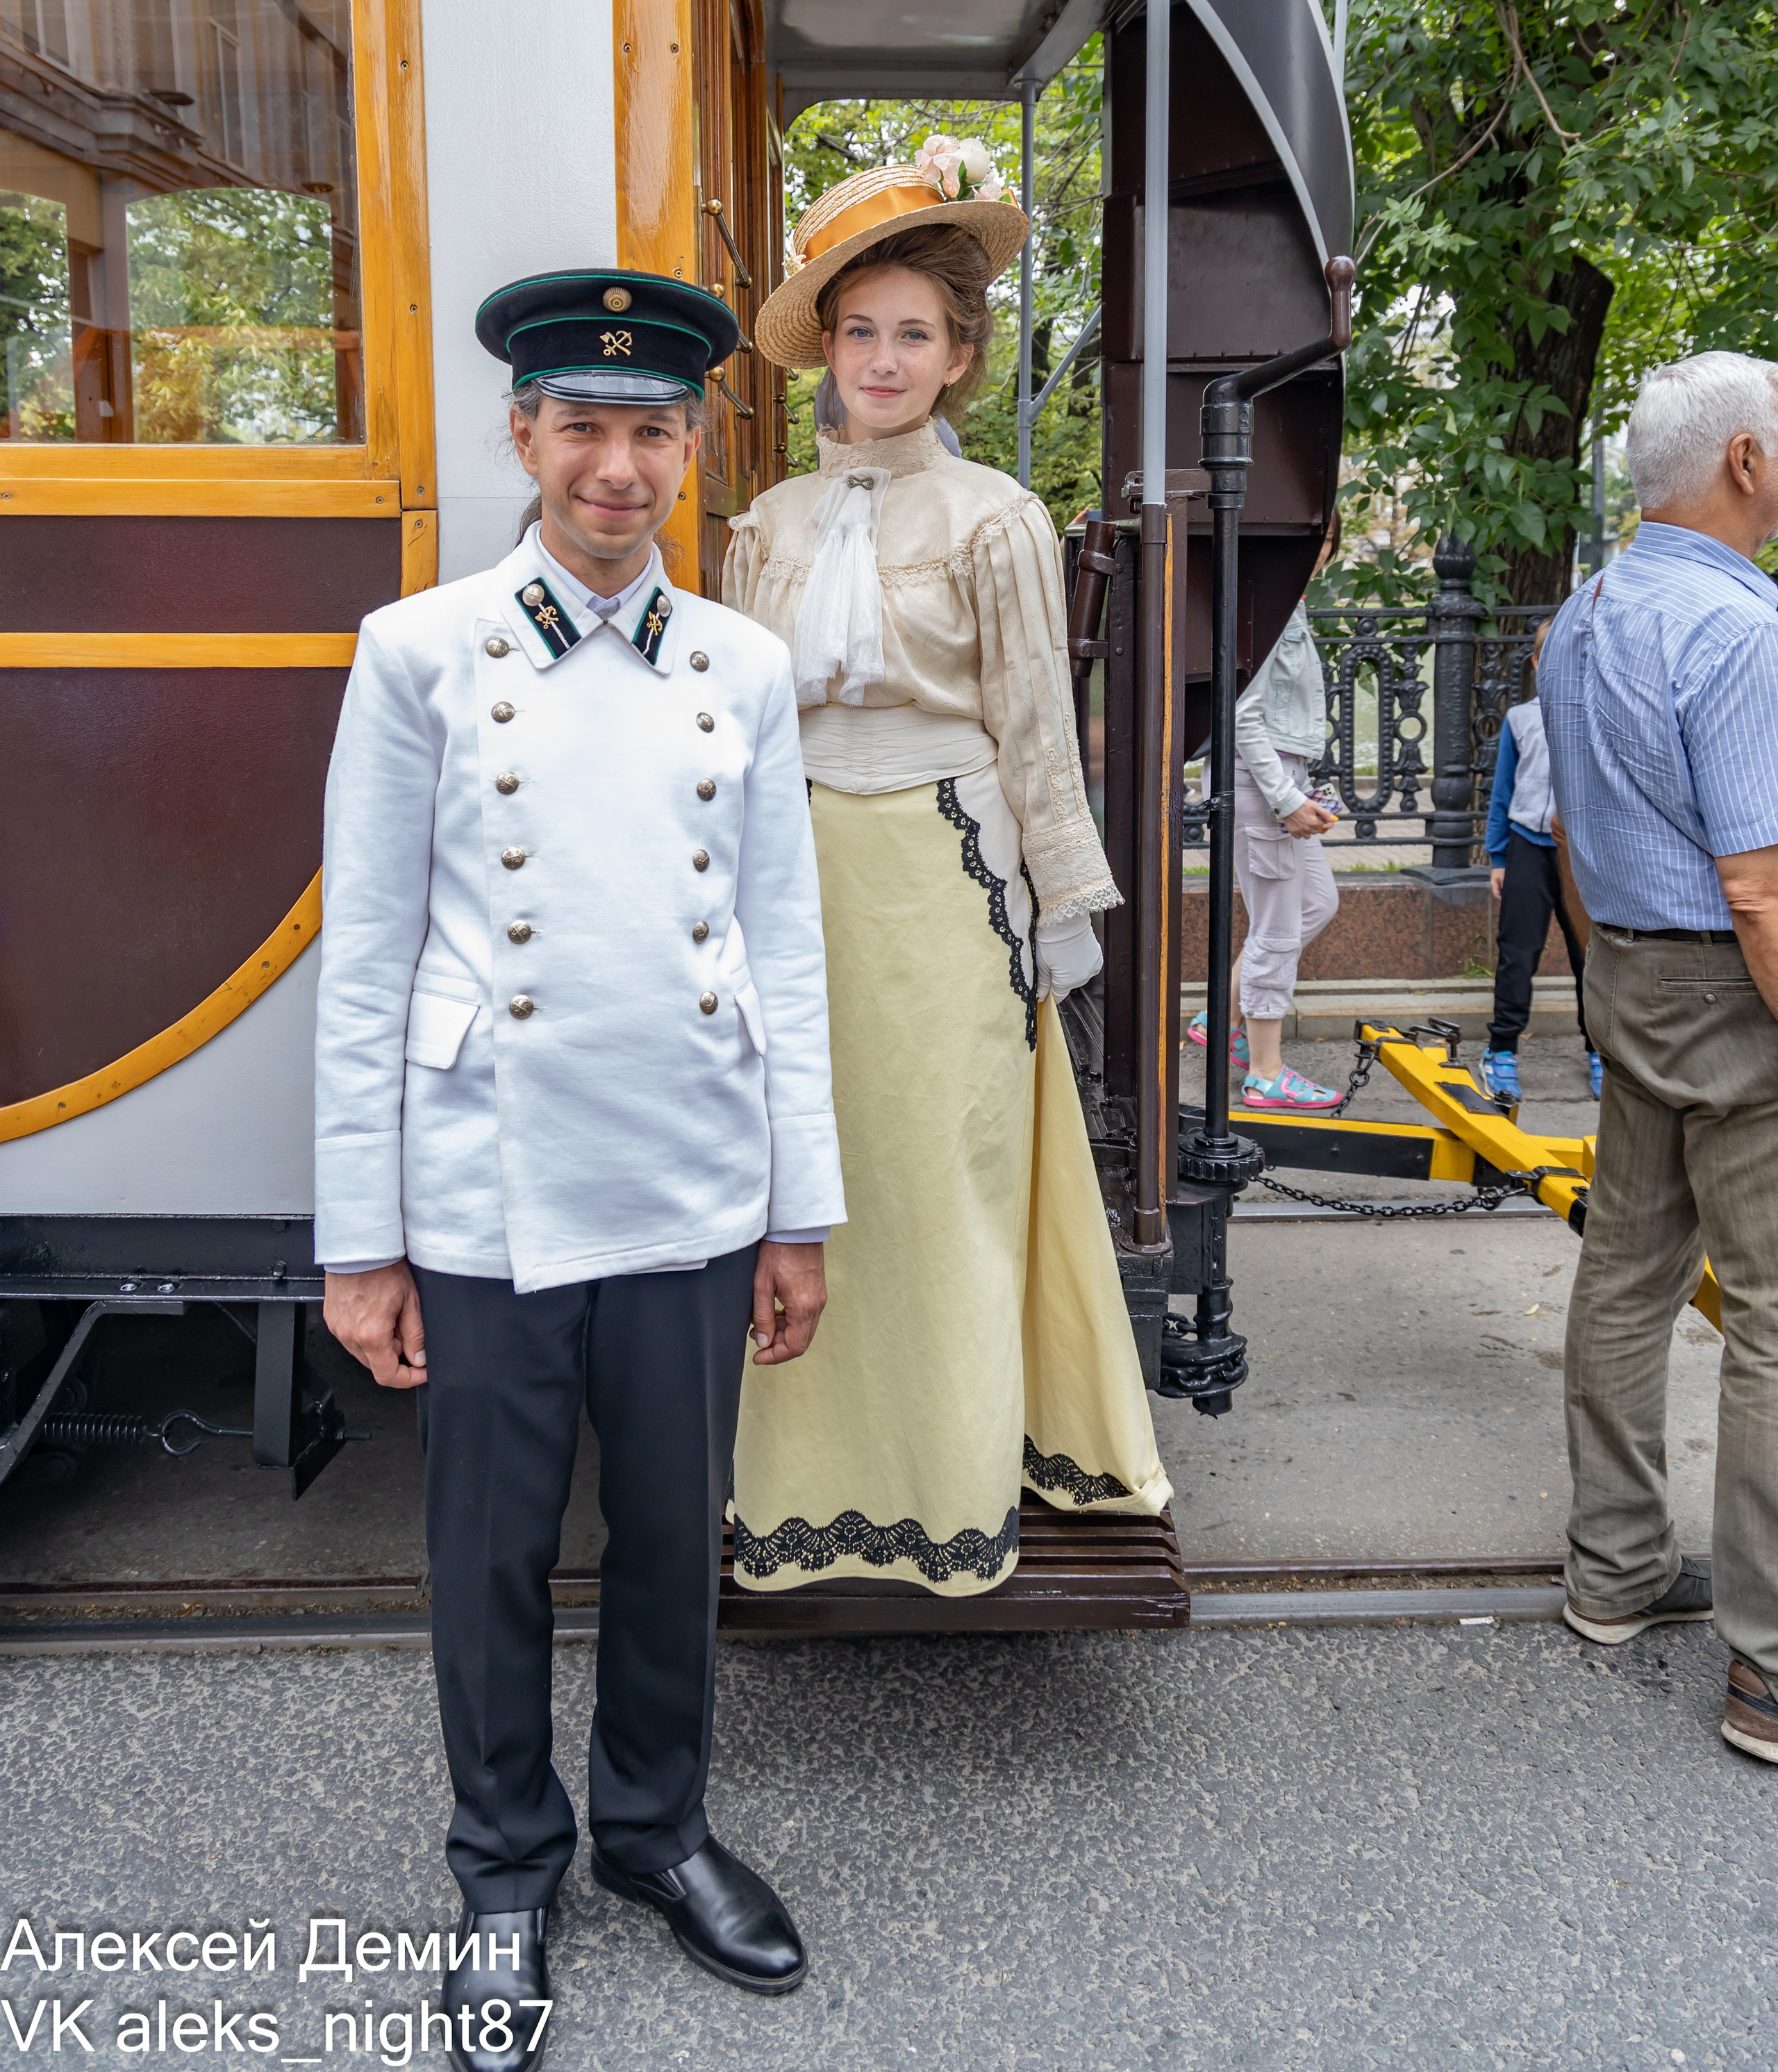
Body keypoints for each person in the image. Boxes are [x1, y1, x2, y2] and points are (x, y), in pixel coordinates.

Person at [315, 266, 846, 2053]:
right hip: (487, 1180)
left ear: (691, 445)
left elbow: (782, 948)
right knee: (486, 1548)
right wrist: (360, 1237)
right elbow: (368, 958)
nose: (617, 466)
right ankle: (500, 1867)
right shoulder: (418, 654)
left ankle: (655, 1831)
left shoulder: (741, 667)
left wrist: (801, 1208)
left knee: (668, 1547)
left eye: (652, 431)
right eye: (583, 429)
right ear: (521, 436)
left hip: (693, 1169)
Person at [722, 146, 1170, 1601]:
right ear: (826, 354)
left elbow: (1038, 727)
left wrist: (1058, 903)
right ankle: (801, 1495)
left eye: (913, 333)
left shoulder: (997, 521)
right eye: (858, 332)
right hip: (795, 871)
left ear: (960, 357)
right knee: (810, 1179)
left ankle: (951, 1490)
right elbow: (730, 730)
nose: (881, 358)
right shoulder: (768, 523)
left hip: (948, 879)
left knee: (940, 1189)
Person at [1540, 350, 1778, 1766]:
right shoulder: (1742, 633)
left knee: (1624, 1280)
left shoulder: (1581, 613)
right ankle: (1765, 1667)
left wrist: (1602, 989)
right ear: (1744, 462)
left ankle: (1611, 1570)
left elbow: (1566, 837)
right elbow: (1758, 889)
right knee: (1768, 1315)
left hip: (1626, 972)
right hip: (1734, 991)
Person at [1188, 519, 1343, 1109]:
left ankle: (1221, 1016)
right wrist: (1285, 797)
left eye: (1330, 540)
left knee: (1315, 903)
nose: (1321, 550)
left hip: (1280, 778)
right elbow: (1241, 714)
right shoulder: (1270, 607)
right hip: (1261, 782)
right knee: (1277, 928)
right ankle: (1266, 1073)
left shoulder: (1289, 606)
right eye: (1315, 538)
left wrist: (1299, 790)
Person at [1479, 620, 1602, 1106]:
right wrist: (1498, 856)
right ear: (1535, 665)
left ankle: (1600, 1050)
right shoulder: (1520, 719)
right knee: (1518, 952)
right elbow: (1502, 792)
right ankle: (1502, 1049)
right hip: (1527, 844)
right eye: (1551, 658)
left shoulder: (1601, 716)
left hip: (1582, 852)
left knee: (1589, 955)